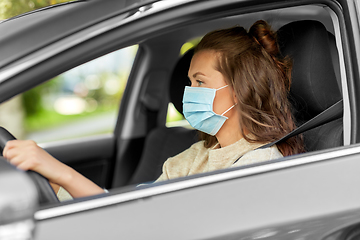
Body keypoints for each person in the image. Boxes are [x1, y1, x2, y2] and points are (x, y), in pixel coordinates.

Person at [3, 20, 304, 201]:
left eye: (200, 81)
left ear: (239, 90)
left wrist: (63, 174)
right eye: (189, 81)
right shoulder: (194, 156)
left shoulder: (259, 167)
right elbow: (129, 214)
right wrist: (57, 178)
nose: (189, 92)